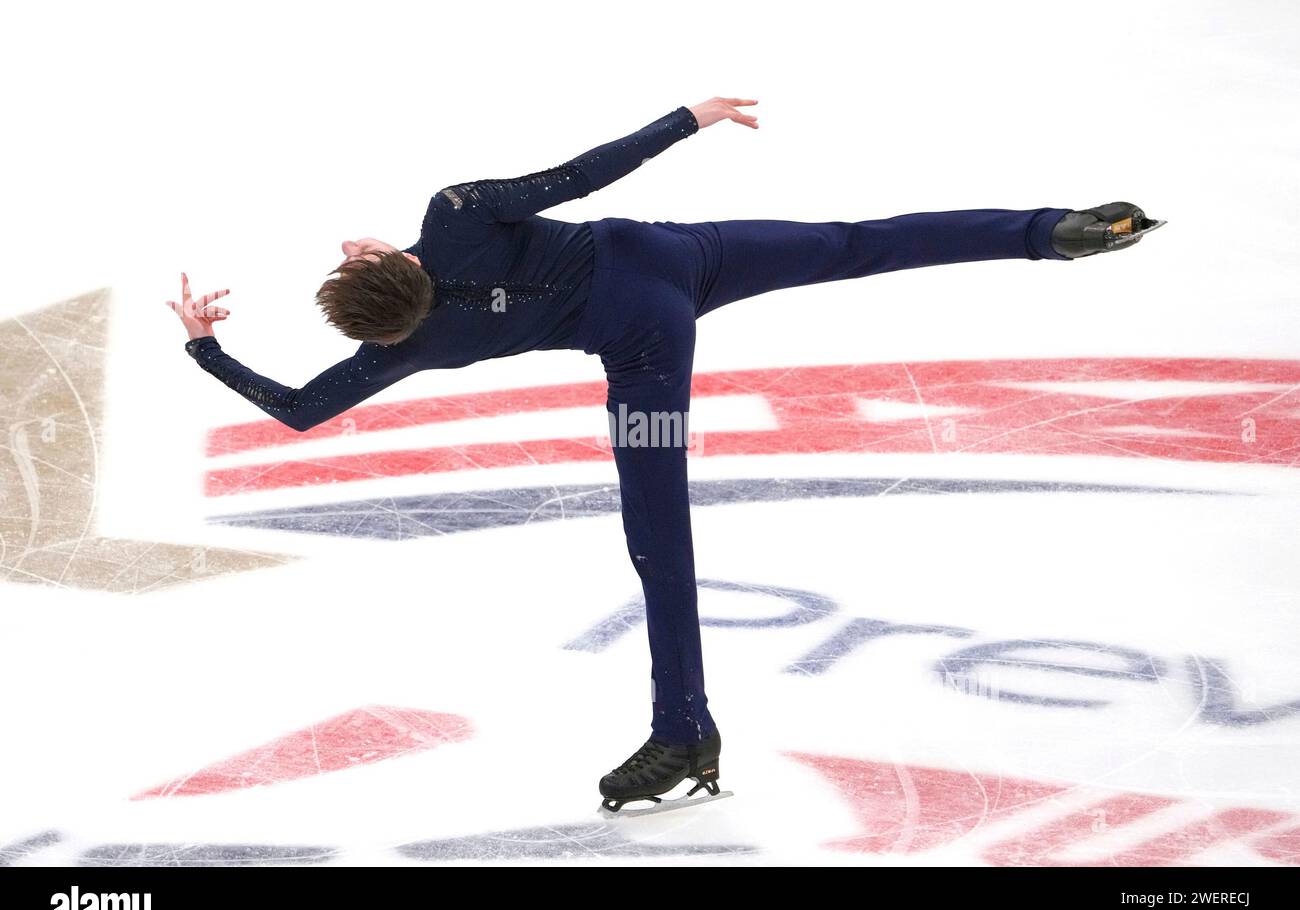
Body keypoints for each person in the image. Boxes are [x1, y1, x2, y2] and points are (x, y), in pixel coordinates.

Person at [167, 97, 1163, 815]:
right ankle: (1052, 233)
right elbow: (577, 177)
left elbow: (295, 409)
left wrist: (205, 345)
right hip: (674, 256)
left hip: (648, 359)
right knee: (851, 242)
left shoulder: (401, 350)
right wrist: (689, 116)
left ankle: (681, 725)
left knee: (661, 544)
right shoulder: (457, 213)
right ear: (377, 260)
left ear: (379, 322)